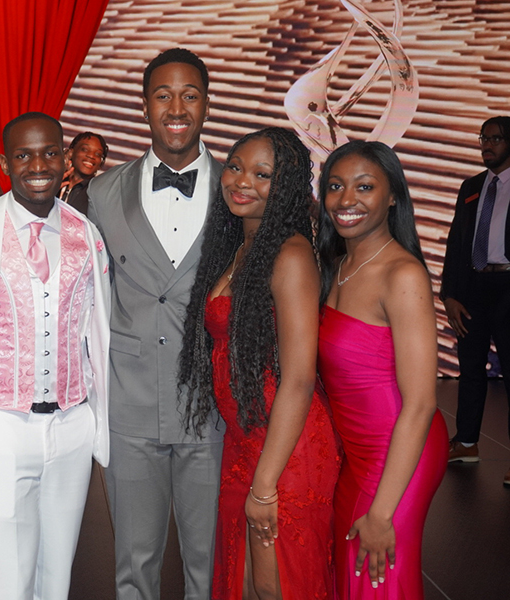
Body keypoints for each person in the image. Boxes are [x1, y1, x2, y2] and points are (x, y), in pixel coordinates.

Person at [0, 112, 110, 600]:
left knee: (56, 578)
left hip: (72, 424)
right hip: (0, 424)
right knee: (6, 579)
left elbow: (97, 329)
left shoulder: (85, 231)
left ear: (65, 159)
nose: (38, 164)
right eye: (24, 155)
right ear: (4, 163)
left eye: (49, 152)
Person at [178, 127, 340, 600]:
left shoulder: (289, 255)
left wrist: (266, 483)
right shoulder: (239, 246)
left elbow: (300, 378)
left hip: (285, 449)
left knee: (277, 587)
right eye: (235, 167)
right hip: (245, 441)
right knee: (245, 581)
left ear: (286, 186)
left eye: (262, 174)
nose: (241, 180)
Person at [86, 47, 223, 599]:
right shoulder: (100, 192)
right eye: (163, 94)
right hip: (129, 405)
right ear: (144, 106)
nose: (176, 106)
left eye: (189, 95)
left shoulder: (239, 192)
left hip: (211, 407)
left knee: (207, 565)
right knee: (133, 565)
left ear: (207, 105)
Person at [317, 140, 448, 599]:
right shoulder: (340, 265)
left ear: (393, 196)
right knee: (355, 575)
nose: (346, 200)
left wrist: (383, 511)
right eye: (335, 186)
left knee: (376, 573)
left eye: (364, 186)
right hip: (359, 453)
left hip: (400, 449)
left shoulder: (402, 275)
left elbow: (421, 404)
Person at [440, 116, 510, 485]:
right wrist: (449, 294)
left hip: (508, 284)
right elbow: (455, 244)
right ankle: (466, 443)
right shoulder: (471, 186)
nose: (487, 145)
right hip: (473, 290)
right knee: (470, 371)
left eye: (496, 139)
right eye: (484, 138)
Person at [59, 131, 108, 214]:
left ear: (101, 163)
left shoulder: (97, 194)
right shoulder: (54, 181)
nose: (91, 156)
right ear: (71, 153)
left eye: (98, 154)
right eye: (85, 149)